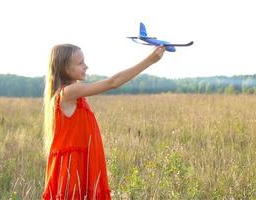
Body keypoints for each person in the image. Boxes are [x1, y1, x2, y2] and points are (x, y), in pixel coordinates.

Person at [41, 44, 165, 199]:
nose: (86, 66)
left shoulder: (73, 93)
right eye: (80, 63)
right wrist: (149, 60)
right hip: (73, 168)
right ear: (65, 68)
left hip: (80, 164)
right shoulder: (68, 93)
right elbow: (113, 82)